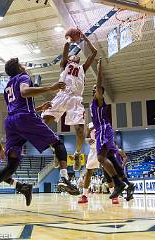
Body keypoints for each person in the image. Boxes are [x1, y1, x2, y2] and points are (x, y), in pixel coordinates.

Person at [0, 58, 79, 212]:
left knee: (12, 164)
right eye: (21, 64)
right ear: (18, 68)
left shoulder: (7, 86)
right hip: (24, 118)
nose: (24, 66)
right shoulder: (23, 77)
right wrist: (51, 88)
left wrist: (38, 108)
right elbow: (24, 93)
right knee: (58, 143)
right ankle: (64, 178)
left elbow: (16, 106)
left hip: (11, 122)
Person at [41, 30, 97, 172]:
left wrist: (85, 39)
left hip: (76, 99)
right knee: (43, 122)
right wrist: (69, 39)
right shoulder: (64, 64)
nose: (75, 56)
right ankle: (56, 149)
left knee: (79, 131)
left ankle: (77, 154)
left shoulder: (83, 68)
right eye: (73, 55)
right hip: (62, 94)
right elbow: (66, 50)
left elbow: (94, 53)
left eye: (77, 56)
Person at [90, 58, 126, 200]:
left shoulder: (99, 99)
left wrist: (99, 69)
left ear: (100, 91)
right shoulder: (94, 102)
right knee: (108, 157)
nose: (94, 89)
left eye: (95, 88)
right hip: (103, 130)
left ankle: (118, 183)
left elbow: (99, 83)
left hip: (103, 129)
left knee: (100, 158)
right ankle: (122, 183)